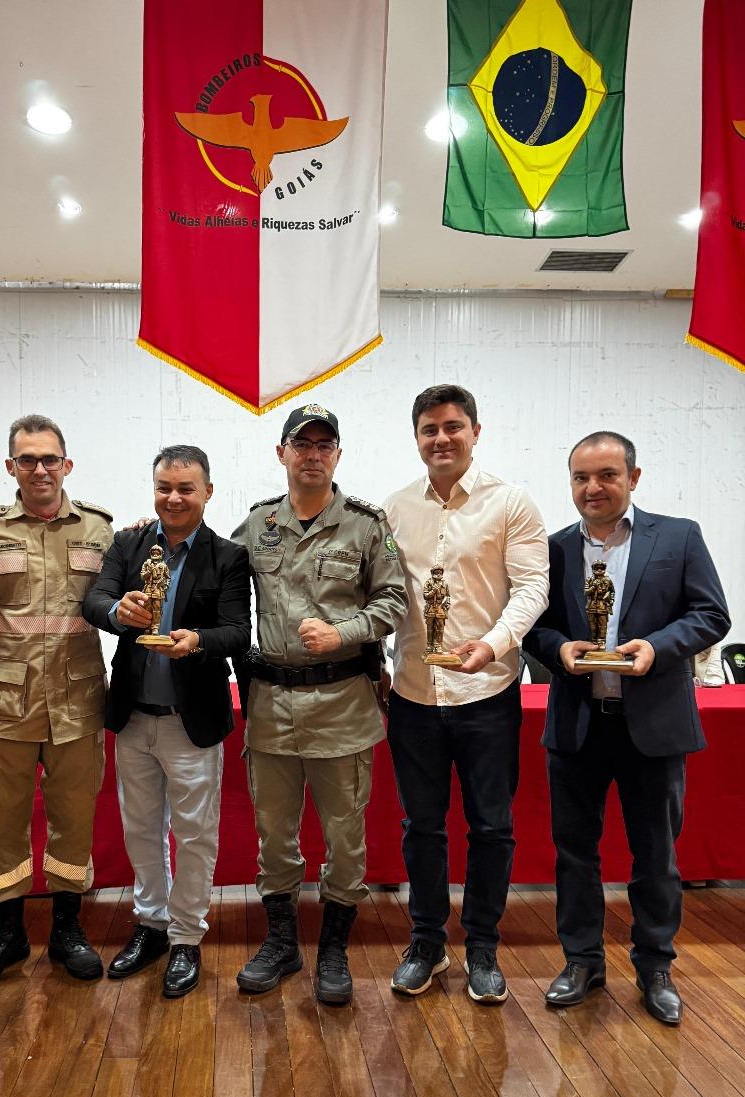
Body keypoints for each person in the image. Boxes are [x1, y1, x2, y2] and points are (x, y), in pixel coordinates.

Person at [524, 431, 729, 1025]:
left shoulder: (679, 536)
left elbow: (712, 613)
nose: (594, 488)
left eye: (608, 475)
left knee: (656, 855)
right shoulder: (553, 548)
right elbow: (533, 626)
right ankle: (582, 961)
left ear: (633, 478)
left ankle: (655, 967)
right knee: (574, 855)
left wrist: (658, 648)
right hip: (578, 724)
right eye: (582, 478)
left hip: (654, 724)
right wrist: (559, 649)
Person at [233, 404, 407, 1005]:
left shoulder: (364, 525)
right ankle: (282, 943)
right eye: (300, 444)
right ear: (281, 453)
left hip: (342, 707)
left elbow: (395, 603)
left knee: (345, 838)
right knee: (274, 836)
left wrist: (346, 631)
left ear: (337, 455)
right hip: (271, 707)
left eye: (323, 445)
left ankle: (333, 951)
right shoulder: (256, 526)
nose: (312, 454)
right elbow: (223, 594)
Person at [384, 384, 549, 1004]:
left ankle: (482, 947)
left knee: (492, 828)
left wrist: (497, 643)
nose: (442, 438)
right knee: (421, 827)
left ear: (475, 432)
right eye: (429, 429)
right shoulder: (394, 509)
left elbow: (533, 587)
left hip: (488, 692)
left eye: (453, 426)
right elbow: (381, 595)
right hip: (414, 695)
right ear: (417, 438)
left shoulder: (512, 502)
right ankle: (427, 942)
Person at [82, 446, 251, 997]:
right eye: (163, 487)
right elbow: (95, 599)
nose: (173, 498)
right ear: (153, 488)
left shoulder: (228, 556)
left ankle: (185, 938)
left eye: (185, 488)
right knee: (140, 829)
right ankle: (150, 924)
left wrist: (198, 641)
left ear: (207, 492)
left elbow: (236, 632)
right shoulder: (128, 543)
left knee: (195, 834)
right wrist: (116, 612)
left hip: (190, 721)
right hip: (134, 717)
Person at [0, 414, 113, 985]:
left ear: (67, 465)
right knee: (8, 819)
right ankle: (8, 931)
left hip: (76, 701)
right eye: (28, 460)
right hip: (6, 703)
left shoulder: (101, 531)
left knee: (74, 818)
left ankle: (68, 928)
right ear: (11, 468)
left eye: (51, 459)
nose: (41, 469)